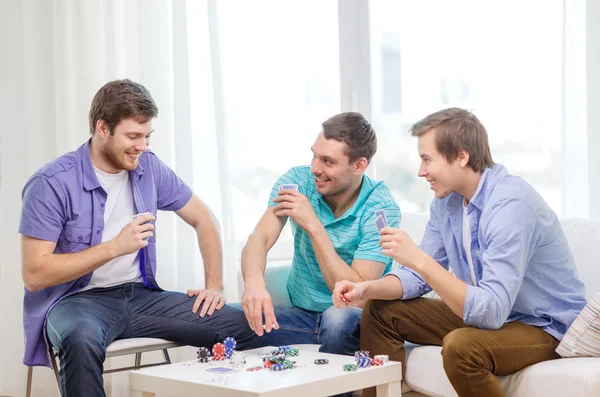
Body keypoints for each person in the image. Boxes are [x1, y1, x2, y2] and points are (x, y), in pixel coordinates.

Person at [19, 79, 260, 397]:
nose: (143, 146)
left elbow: (204, 219)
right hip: (75, 302)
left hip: (141, 297)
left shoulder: (148, 167)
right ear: (102, 128)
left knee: (246, 322)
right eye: (133, 136)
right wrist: (114, 247)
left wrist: (214, 286)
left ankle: (328, 332)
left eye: (147, 136)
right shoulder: (51, 183)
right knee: (80, 339)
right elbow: (35, 274)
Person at [333, 108, 587, 397]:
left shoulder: (510, 206)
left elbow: (491, 311)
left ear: (461, 157)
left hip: (544, 327)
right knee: (380, 309)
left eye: (427, 159)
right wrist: (366, 288)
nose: (420, 171)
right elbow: (417, 277)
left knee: (462, 347)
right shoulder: (446, 201)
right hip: (498, 315)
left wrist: (418, 257)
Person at [240, 112, 401, 358]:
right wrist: (254, 285)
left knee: (337, 319)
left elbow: (353, 297)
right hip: (299, 315)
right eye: (314, 155)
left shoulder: (381, 209)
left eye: (327, 161)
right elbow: (259, 238)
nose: (315, 168)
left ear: (359, 165)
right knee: (217, 319)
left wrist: (314, 226)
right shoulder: (297, 182)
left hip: (353, 318)